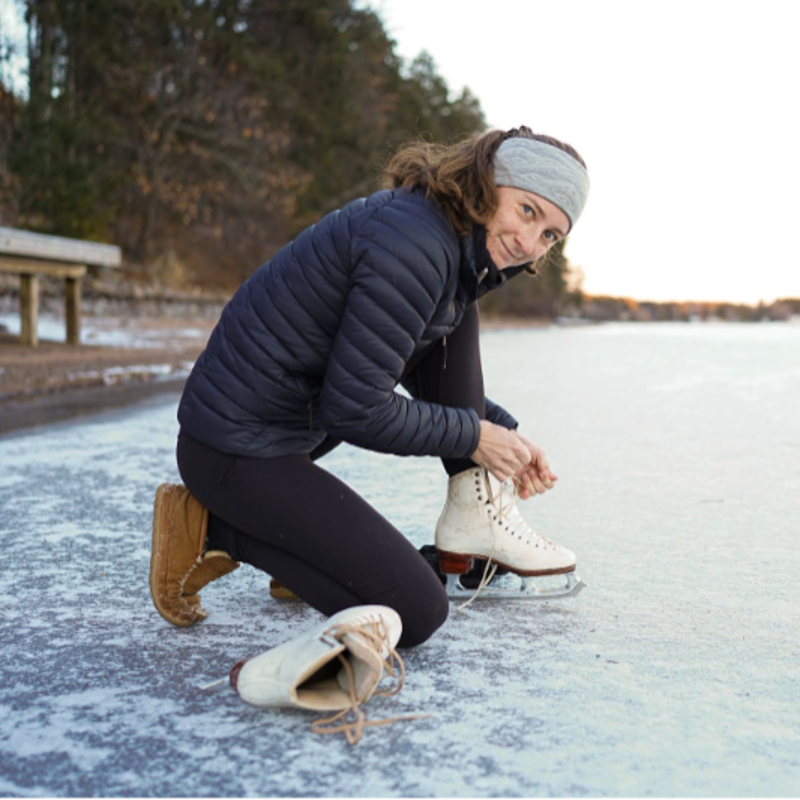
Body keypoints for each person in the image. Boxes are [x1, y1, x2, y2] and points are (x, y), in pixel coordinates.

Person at [149, 125, 590, 649]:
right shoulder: (415, 244)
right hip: (232, 450)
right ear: (488, 180)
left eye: (549, 236)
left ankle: (474, 514)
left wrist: (502, 436)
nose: (527, 243)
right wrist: (475, 437)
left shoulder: (447, 250)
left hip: (282, 434)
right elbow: (356, 407)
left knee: (461, 317)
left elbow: (406, 370)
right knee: (417, 609)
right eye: (527, 211)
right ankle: (215, 529)